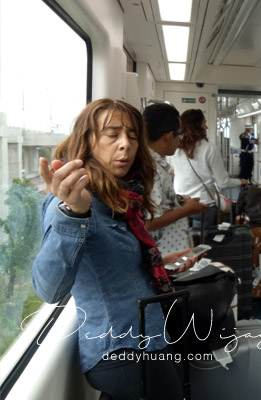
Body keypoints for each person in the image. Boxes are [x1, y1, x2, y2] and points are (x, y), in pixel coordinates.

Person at [33, 99, 197, 400]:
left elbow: (116, 266)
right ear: (89, 140)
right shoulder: (73, 201)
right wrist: (74, 213)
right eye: (112, 134)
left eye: (133, 136)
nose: (125, 145)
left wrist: (163, 262)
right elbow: (49, 289)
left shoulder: (120, 200)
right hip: (121, 349)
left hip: (147, 337)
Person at [142, 103, 208, 254]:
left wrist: (181, 200)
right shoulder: (151, 169)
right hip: (165, 253)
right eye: (179, 135)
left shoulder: (156, 163)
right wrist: (187, 210)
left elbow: (157, 202)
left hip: (171, 249)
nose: (180, 140)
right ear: (169, 137)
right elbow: (149, 221)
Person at [171, 109, 246, 228]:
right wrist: (240, 181)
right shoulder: (209, 148)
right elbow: (223, 182)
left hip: (180, 203)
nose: (206, 127)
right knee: (201, 243)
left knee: (185, 241)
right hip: (202, 205)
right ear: (198, 126)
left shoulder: (176, 148)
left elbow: (175, 174)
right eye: (204, 123)